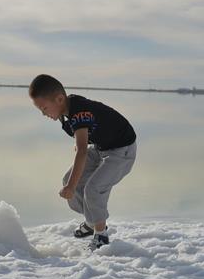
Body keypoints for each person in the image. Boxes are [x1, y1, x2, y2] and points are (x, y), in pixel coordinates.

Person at [29, 74, 137, 250]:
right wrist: (71, 182)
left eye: (44, 108)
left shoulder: (79, 112)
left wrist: (71, 187)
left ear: (59, 99)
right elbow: (85, 136)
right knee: (69, 179)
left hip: (122, 151)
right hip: (102, 147)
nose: (43, 114)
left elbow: (81, 151)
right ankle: (91, 221)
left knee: (93, 188)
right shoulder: (66, 110)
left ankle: (101, 235)